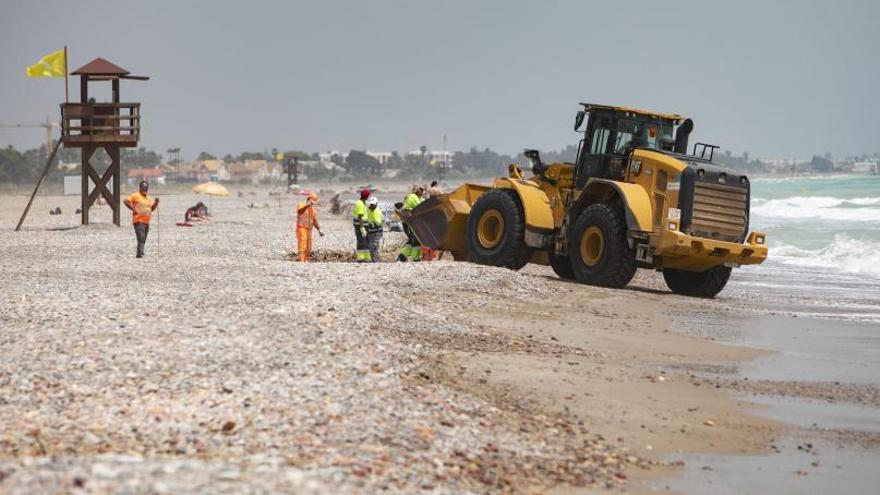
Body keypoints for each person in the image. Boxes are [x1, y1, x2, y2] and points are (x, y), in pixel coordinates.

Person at [123, 180, 159, 258]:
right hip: (138, 220)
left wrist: (156, 203)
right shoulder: (135, 195)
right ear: (140, 187)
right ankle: (140, 253)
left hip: (146, 221)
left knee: (144, 238)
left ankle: (140, 252)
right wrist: (133, 209)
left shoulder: (148, 198)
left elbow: (151, 209)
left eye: (146, 187)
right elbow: (125, 201)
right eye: (143, 187)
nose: (144, 189)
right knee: (141, 237)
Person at [397, 185, 424, 262]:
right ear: (417, 191)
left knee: (411, 240)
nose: (422, 192)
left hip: (408, 222)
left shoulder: (417, 198)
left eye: (423, 190)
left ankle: (402, 256)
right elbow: (421, 207)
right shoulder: (413, 196)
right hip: (410, 222)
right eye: (421, 190)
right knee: (416, 240)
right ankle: (416, 257)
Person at [296, 192, 323, 262]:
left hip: (309, 229)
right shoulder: (301, 205)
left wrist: (319, 230)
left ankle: (306, 260)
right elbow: (299, 212)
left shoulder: (313, 210)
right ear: (308, 199)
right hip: (301, 227)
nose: (312, 203)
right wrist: (306, 206)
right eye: (311, 201)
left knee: (308, 245)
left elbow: (314, 221)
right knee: (302, 244)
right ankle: (301, 260)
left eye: (313, 202)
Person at [353, 189, 371, 263]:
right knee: (361, 241)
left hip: (364, 225)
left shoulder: (363, 203)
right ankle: (360, 257)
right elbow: (360, 217)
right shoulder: (360, 204)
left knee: (366, 241)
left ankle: (367, 257)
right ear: (366, 196)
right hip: (360, 225)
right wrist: (362, 228)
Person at [366, 196, 383, 262]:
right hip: (370, 231)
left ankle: (376, 260)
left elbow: (378, 223)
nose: (372, 205)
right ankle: (373, 260)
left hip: (377, 232)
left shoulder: (377, 211)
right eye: (371, 204)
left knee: (374, 246)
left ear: (376, 204)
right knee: (370, 246)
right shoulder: (369, 210)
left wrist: (370, 224)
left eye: (373, 204)